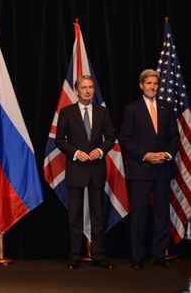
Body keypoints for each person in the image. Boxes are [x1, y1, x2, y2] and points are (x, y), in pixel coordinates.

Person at [119, 69, 180, 270]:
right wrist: (145, 155)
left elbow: (174, 138)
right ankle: (137, 256)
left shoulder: (167, 108)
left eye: (155, 83)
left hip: (163, 169)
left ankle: (160, 254)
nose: (152, 86)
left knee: (162, 214)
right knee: (140, 214)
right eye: (149, 83)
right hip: (140, 169)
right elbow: (125, 138)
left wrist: (167, 155)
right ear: (141, 85)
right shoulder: (132, 109)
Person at [55, 75, 116, 269]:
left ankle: (98, 255)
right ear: (77, 91)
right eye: (84, 87)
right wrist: (76, 153)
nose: (88, 90)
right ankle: (75, 256)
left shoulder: (102, 112)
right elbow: (59, 139)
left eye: (91, 87)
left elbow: (110, 137)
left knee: (98, 215)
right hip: (76, 170)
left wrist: (100, 150)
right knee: (75, 216)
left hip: (96, 169)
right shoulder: (66, 112)